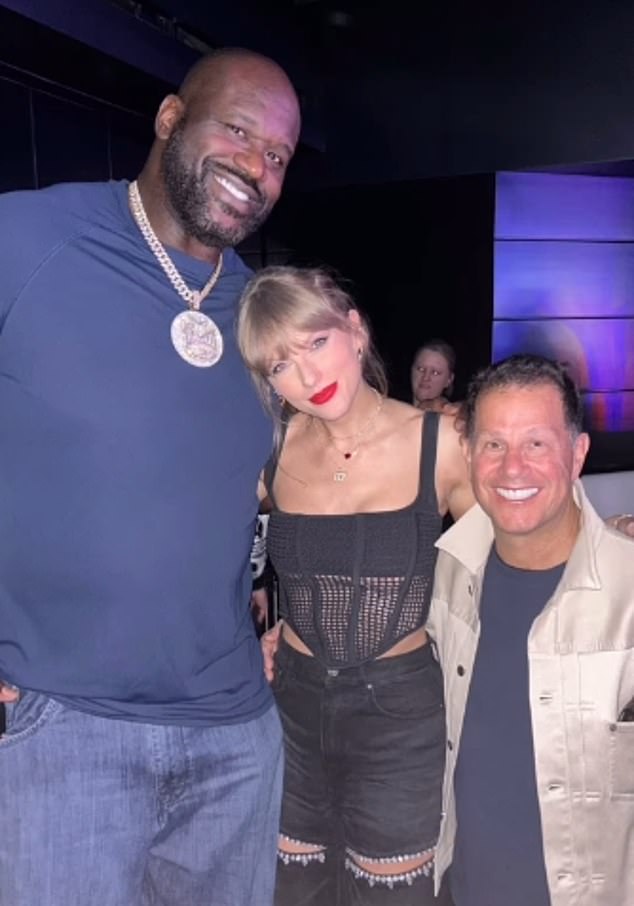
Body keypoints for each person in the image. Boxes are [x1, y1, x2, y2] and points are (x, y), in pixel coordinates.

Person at [0, 48, 301, 906]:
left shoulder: (258, 314)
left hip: (235, 737)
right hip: (62, 727)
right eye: (238, 131)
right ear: (171, 118)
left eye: (277, 154)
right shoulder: (27, 241)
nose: (256, 165)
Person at [237, 265, 474, 905]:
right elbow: (186, 550)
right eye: (280, 365)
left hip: (399, 717)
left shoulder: (443, 441)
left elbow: (514, 555)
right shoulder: (273, 447)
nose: (307, 377)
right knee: (293, 893)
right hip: (292, 709)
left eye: (315, 343)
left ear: (355, 330)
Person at [426, 354, 634, 906]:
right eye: (494, 444)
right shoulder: (448, 572)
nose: (512, 468)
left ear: (578, 455)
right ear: (469, 455)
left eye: (537, 444)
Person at [411, 339, 459, 413]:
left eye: (435, 373)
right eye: (421, 369)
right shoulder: (392, 411)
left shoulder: (452, 419)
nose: (426, 377)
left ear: (449, 380)